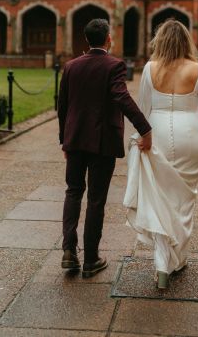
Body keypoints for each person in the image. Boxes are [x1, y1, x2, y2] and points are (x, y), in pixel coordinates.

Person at [124, 19, 198, 289]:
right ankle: (177, 258)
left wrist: (140, 136)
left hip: (156, 135)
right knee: (184, 201)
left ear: (159, 41)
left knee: (158, 200)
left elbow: (143, 108)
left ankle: (163, 263)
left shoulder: (149, 69)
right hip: (190, 137)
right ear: (186, 41)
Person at [58, 18, 152, 278]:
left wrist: (63, 140)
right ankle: (90, 260)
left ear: (86, 40)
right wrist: (145, 128)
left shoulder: (71, 66)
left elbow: (62, 107)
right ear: (109, 38)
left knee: (73, 192)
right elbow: (121, 97)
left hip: (74, 140)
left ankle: (68, 251)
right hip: (102, 142)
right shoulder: (114, 65)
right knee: (96, 200)